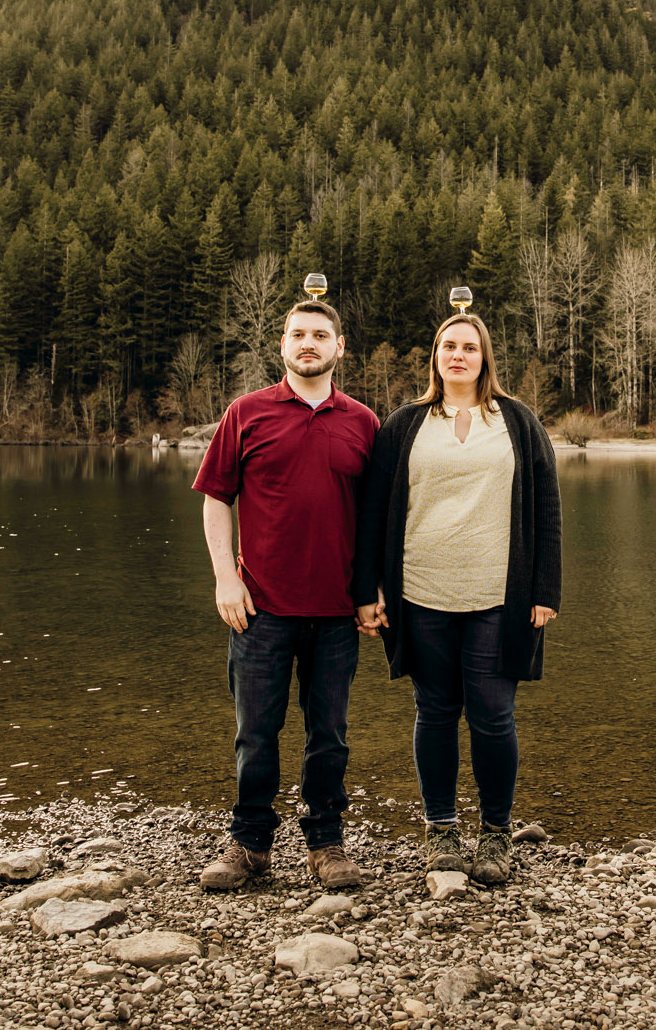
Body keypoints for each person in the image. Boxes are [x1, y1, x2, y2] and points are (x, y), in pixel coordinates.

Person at [353, 312, 561, 884]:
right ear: (436, 357)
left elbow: (546, 505)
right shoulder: (404, 425)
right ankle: (441, 830)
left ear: (485, 357)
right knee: (436, 713)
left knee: (494, 715)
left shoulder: (517, 421)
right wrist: (366, 589)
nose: (459, 355)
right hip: (421, 593)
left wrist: (545, 588)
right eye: (449, 346)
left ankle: (496, 834)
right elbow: (373, 512)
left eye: (470, 347)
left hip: (500, 595)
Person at [192, 299, 379, 890]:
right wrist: (226, 576)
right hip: (260, 609)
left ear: (339, 347)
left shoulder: (363, 423)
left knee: (329, 734)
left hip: (335, 613)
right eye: (298, 334)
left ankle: (326, 843)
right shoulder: (246, 413)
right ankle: (250, 845)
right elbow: (216, 498)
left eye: (320, 335)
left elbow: (376, 519)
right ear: (282, 344)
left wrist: (372, 591)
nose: (308, 343)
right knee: (256, 731)